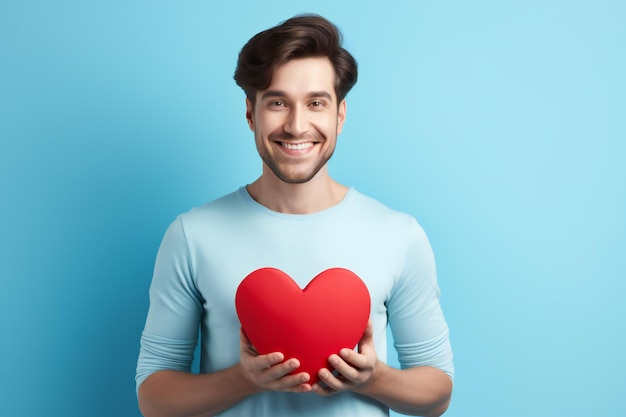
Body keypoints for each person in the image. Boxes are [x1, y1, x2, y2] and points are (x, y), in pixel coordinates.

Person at [136, 14, 454, 417]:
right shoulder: (192, 235)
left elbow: (438, 393)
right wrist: (244, 379)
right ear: (251, 113)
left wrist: (373, 378)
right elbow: (153, 398)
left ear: (340, 115)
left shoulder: (398, 235)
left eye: (316, 103)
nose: (297, 125)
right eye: (277, 102)